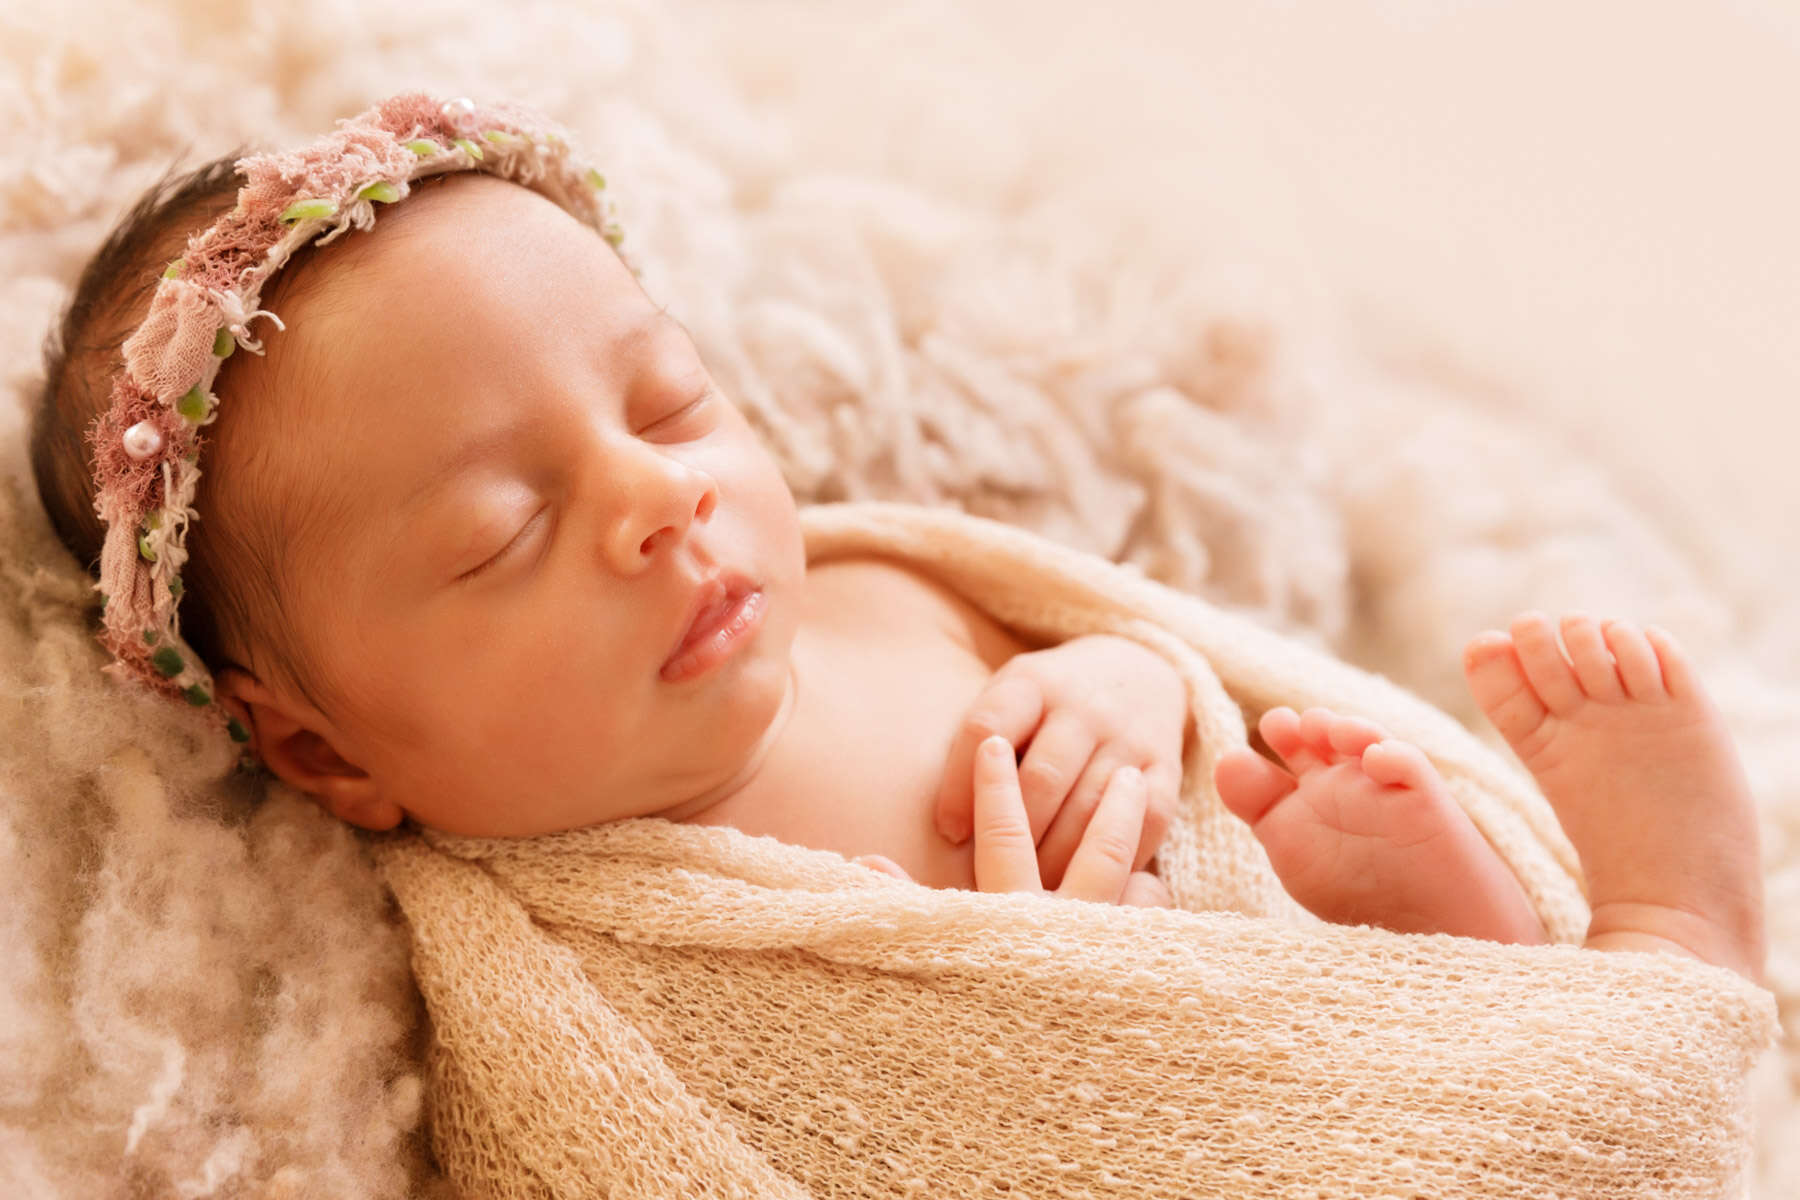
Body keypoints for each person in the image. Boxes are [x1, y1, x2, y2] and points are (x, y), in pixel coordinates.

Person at [29, 96, 1765, 991]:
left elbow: (1108, 630)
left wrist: (1125, 689)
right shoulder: (561, 945)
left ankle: (1646, 938)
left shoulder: (870, 589)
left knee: (1359, 871)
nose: (656, 503)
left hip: (1306, 972)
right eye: (502, 536)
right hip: (1166, 1111)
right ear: (329, 749)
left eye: (671, 402)